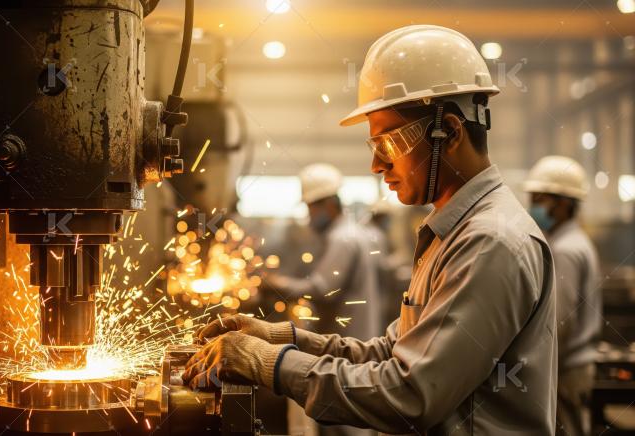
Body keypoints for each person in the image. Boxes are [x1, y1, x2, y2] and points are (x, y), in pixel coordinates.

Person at [182, 24, 558, 435]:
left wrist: (268, 362)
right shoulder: (453, 233)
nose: (377, 166)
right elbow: (389, 353)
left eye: (388, 144)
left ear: (448, 131)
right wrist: (277, 336)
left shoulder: (490, 243)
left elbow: (411, 394)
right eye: (374, 147)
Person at [265, 163, 387, 340]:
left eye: (310, 208)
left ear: (329, 205)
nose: (309, 216)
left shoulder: (342, 238)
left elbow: (323, 289)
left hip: (348, 339)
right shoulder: (351, 232)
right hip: (356, 335)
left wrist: (278, 284)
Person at [524, 155, 601, 436]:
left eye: (540, 199)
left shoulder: (566, 249)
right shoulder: (575, 241)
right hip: (576, 363)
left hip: (567, 367)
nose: (534, 206)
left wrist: (532, 362)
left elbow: (560, 321)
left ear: (564, 204)